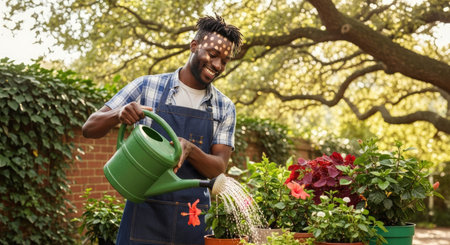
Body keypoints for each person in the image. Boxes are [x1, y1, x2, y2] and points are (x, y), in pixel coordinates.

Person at [82, 14, 243, 245]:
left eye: (224, 61)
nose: (217, 65)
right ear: (194, 46)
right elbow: (89, 128)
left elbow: (218, 167)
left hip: (193, 221)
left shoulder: (224, 107)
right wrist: (118, 114)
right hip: (143, 217)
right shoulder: (146, 86)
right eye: (213, 54)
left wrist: (190, 149)